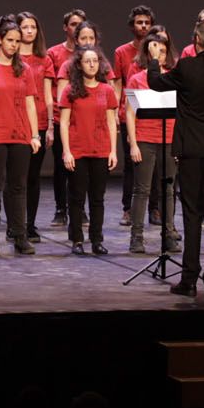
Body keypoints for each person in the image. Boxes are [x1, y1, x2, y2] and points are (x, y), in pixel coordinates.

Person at [145, 20, 204, 299]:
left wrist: (154, 60)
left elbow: (155, 83)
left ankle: (189, 280)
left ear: (196, 40)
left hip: (192, 151)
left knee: (191, 214)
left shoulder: (186, 67)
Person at [0, 19, 42, 254]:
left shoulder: (24, 70)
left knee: (18, 187)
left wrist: (35, 135)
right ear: (0, 40)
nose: (14, 45)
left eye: (17, 41)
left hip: (20, 135)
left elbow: (30, 104)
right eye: (10, 40)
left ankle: (19, 235)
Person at [60, 45, 119, 256]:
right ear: (80, 64)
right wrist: (67, 151)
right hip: (78, 151)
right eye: (87, 61)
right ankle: (77, 239)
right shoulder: (70, 91)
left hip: (101, 150)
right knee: (76, 198)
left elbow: (112, 123)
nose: (92, 64)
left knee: (97, 198)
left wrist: (113, 151)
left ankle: (97, 239)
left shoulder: (107, 90)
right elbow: (64, 123)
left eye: (95, 60)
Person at [125, 28, 179, 255]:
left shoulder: (172, 78)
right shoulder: (136, 78)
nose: (160, 55)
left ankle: (168, 234)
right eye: (156, 50)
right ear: (148, 53)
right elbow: (129, 112)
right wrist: (134, 143)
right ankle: (136, 237)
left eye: (164, 51)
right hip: (145, 139)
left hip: (168, 140)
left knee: (168, 190)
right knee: (142, 190)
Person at [13, 12, 56, 239]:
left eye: (33, 27)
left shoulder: (44, 59)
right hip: (15, 122)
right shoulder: (11, 57)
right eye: (25, 27)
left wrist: (49, 126)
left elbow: (48, 96)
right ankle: (14, 224)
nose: (29, 31)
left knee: (32, 177)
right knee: (15, 177)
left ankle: (29, 224)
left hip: (37, 122)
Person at [111, 6, 155, 226]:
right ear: (132, 26)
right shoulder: (122, 52)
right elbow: (119, 83)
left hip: (154, 113)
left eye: (147, 22)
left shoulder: (158, 51)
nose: (144, 26)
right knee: (131, 163)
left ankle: (154, 209)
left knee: (155, 164)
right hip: (129, 112)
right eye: (139, 22)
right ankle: (128, 209)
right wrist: (116, 112)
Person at [44, 8, 87, 226]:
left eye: (80, 24)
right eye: (72, 24)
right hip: (63, 118)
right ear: (65, 28)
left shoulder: (90, 57)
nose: (76, 27)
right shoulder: (54, 53)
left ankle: (80, 208)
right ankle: (61, 209)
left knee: (84, 166)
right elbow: (53, 88)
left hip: (84, 119)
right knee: (62, 166)